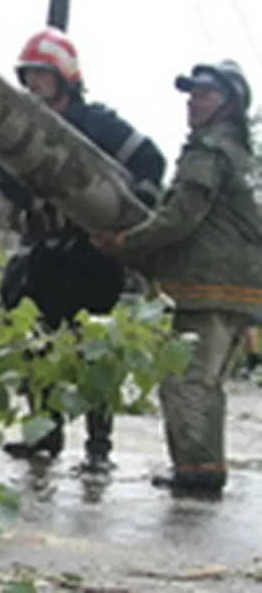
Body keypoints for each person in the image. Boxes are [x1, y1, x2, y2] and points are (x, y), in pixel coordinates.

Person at [0, 28, 166, 473]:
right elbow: (5, 174)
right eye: (28, 75)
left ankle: (98, 444)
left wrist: (131, 215)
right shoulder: (21, 124)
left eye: (42, 76)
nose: (33, 84)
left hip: (92, 254)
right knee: (38, 347)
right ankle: (43, 434)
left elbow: (151, 161)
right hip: (44, 251)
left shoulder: (97, 124)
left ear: (64, 79)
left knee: (94, 349)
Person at [92, 60, 262, 496]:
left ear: (227, 104)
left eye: (203, 94)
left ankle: (197, 474)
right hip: (241, 289)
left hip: (206, 287)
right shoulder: (243, 157)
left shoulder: (208, 153)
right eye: (191, 94)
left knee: (186, 383)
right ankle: (205, 466)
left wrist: (125, 243)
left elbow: (179, 217)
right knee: (209, 386)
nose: (192, 101)